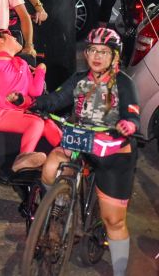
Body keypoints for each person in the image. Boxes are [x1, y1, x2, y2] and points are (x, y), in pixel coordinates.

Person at [31, 28, 140, 276]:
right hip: (80, 141)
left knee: (114, 221)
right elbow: (56, 99)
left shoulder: (124, 83)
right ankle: (58, 206)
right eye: (92, 50)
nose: (96, 56)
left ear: (115, 56)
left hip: (113, 152)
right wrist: (32, 102)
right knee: (50, 167)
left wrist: (128, 125)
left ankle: (120, 271)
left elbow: (133, 115)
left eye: (103, 51)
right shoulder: (79, 79)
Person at [0, 29, 61, 171]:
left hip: (20, 112)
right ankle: (23, 157)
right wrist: (14, 105)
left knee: (49, 124)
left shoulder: (21, 63)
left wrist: (41, 70)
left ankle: (69, 156)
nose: (15, 37)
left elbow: (35, 91)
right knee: (36, 121)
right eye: (10, 36)